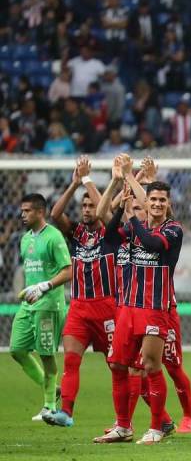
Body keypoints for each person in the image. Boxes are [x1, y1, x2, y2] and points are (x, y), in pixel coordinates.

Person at [99, 170, 184, 445]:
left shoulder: (173, 230)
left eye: (162, 200)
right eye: (153, 199)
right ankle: (123, 427)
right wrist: (121, 210)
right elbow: (110, 237)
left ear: (168, 204)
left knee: (151, 366)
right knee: (117, 364)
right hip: (128, 307)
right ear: (146, 202)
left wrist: (133, 217)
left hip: (155, 307)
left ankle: (157, 427)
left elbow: (152, 244)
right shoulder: (136, 226)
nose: (157, 204)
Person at [41, 157, 118, 427]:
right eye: (83, 206)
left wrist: (88, 181)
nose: (86, 209)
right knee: (71, 361)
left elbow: (106, 211)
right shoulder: (76, 234)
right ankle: (66, 413)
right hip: (79, 307)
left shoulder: (111, 233)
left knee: (119, 366)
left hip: (107, 308)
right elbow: (54, 215)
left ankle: (156, 417)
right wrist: (75, 184)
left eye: (91, 205)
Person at [11, 193, 71, 421]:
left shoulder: (54, 237)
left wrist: (45, 286)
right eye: (22, 210)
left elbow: (69, 270)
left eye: (27, 211)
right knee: (17, 350)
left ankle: (49, 407)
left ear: (40, 212)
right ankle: (53, 389)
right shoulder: (25, 239)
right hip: (29, 305)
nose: (23, 214)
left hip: (48, 305)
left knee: (46, 355)